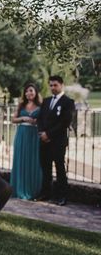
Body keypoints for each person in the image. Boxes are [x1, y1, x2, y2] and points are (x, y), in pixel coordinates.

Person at [37, 75, 75, 206]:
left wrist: (49, 134)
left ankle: (61, 196)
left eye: (55, 85)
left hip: (57, 141)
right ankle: (45, 193)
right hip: (44, 140)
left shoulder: (68, 102)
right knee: (45, 168)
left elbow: (65, 122)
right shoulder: (46, 101)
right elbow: (40, 118)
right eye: (51, 85)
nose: (53, 87)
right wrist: (42, 132)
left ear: (61, 85)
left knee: (60, 168)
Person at [10, 83, 43, 200]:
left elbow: (44, 120)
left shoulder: (41, 106)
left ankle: (33, 189)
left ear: (36, 92)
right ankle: (19, 188)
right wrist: (23, 118)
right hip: (22, 134)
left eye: (31, 91)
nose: (29, 93)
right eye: (27, 91)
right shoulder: (21, 105)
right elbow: (13, 119)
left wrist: (36, 121)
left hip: (34, 135)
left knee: (33, 160)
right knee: (21, 159)